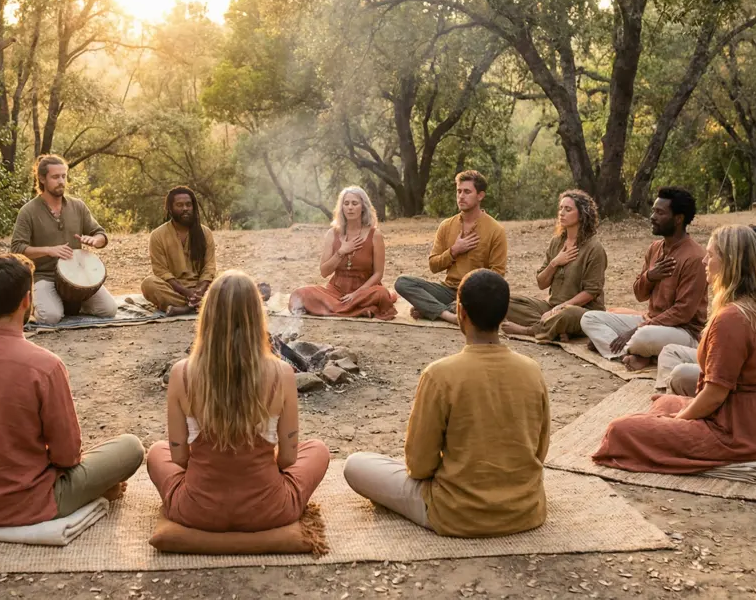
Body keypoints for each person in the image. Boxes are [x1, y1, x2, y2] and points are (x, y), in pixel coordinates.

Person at [0, 254, 143, 526]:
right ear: (26, 300)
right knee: (131, 447)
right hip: (27, 503)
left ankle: (89, 491)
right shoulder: (45, 366)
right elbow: (67, 456)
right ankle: (90, 494)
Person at [344, 269, 550, 537]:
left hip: (456, 513)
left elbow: (419, 466)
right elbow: (540, 451)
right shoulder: (532, 370)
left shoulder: (440, 375)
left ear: (461, 313)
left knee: (356, 465)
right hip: (525, 510)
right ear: (504, 316)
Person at [592, 225, 756, 473]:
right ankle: (665, 424)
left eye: (711, 255)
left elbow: (715, 394)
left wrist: (680, 420)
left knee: (620, 430)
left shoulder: (732, 318)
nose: (705, 261)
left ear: (730, 262)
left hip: (737, 432)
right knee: (663, 401)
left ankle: (665, 429)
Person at [146, 271, 330, 532]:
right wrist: (255, 467)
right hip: (270, 511)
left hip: (196, 511)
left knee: (156, 452)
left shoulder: (181, 373)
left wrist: (214, 467)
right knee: (318, 450)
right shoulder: (282, 373)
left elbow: (178, 457)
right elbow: (288, 459)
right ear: (257, 317)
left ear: (207, 316)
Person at [657, 225, 756, 421]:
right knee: (671, 353)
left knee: (680, 374)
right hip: (743, 374)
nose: (704, 261)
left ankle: (688, 411)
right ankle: (669, 402)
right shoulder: (746, 296)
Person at [580, 187, 707, 371]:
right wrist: (650, 276)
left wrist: (637, 328)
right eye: (653, 210)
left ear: (678, 219)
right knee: (589, 318)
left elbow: (683, 313)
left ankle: (630, 349)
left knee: (643, 337)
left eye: (660, 212)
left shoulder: (695, 258)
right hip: (650, 321)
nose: (652, 217)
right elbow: (639, 295)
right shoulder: (655, 248)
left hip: (682, 331)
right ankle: (628, 354)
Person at [10, 155, 117, 324]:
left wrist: (96, 240)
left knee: (109, 310)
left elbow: (101, 234)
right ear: (42, 178)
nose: (61, 181)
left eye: (63, 176)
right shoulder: (28, 211)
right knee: (50, 317)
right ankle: (37, 302)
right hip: (44, 276)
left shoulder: (78, 206)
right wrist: (49, 250)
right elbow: (16, 249)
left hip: (77, 275)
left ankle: (72, 303)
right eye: (55, 177)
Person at [395, 170, 507, 325]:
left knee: (488, 303)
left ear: (480, 196)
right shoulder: (446, 226)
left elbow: (498, 276)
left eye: (467, 192)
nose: (461, 196)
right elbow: (433, 265)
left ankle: (434, 309)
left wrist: (475, 292)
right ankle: (449, 314)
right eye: (459, 191)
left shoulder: (496, 230)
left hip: (476, 294)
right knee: (403, 283)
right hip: (448, 290)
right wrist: (454, 251)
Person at [503, 190, 606, 340]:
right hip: (552, 306)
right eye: (561, 208)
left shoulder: (594, 248)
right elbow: (541, 283)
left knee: (566, 315)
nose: (562, 213)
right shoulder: (556, 242)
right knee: (506, 302)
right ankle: (555, 329)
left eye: (568, 209)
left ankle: (529, 330)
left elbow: (591, 292)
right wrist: (555, 262)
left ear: (582, 214)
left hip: (581, 311)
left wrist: (561, 307)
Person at [288, 187, 397, 320]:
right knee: (299, 294)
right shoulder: (332, 234)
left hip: (364, 291)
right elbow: (324, 272)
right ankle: (358, 309)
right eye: (346, 204)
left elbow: (378, 274)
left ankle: (346, 308)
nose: (350, 207)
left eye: (354, 203)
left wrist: (356, 294)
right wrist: (341, 251)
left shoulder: (375, 235)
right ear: (342, 208)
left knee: (381, 293)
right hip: (335, 292)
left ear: (363, 207)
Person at [141, 187, 218, 316]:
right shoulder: (158, 235)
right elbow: (161, 271)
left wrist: (199, 290)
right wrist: (187, 292)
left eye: (188, 205)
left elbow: (209, 267)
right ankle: (203, 305)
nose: (185, 209)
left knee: (226, 280)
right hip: (174, 289)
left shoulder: (205, 233)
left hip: (202, 287)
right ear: (170, 209)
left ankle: (186, 308)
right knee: (149, 284)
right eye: (179, 205)